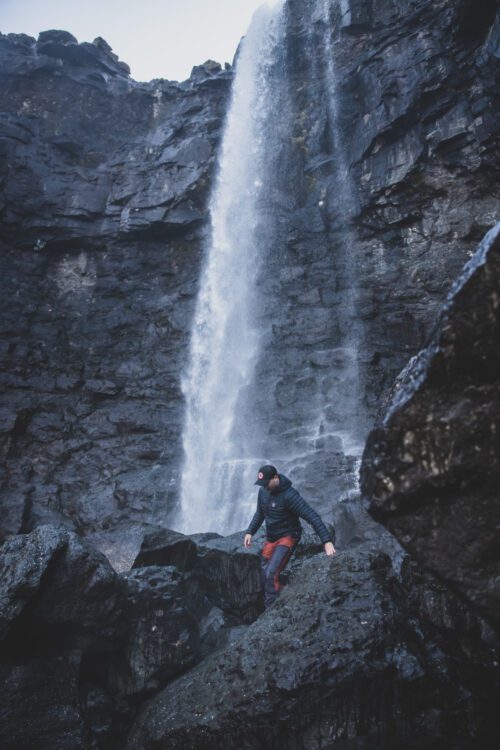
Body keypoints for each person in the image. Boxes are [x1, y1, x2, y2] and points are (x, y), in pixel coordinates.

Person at [244, 464, 335, 608]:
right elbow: (260, 513)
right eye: (262, 484)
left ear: (275, 478)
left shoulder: (289, 495)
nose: (264, 487)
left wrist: (327, 541)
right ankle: (281, 592)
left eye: (267, 483)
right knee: (263, 567)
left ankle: (271, 610)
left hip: (288, 536)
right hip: (272, 537)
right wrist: (250, 531)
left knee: (270, 573)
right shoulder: (263, 492)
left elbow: (312, 516)